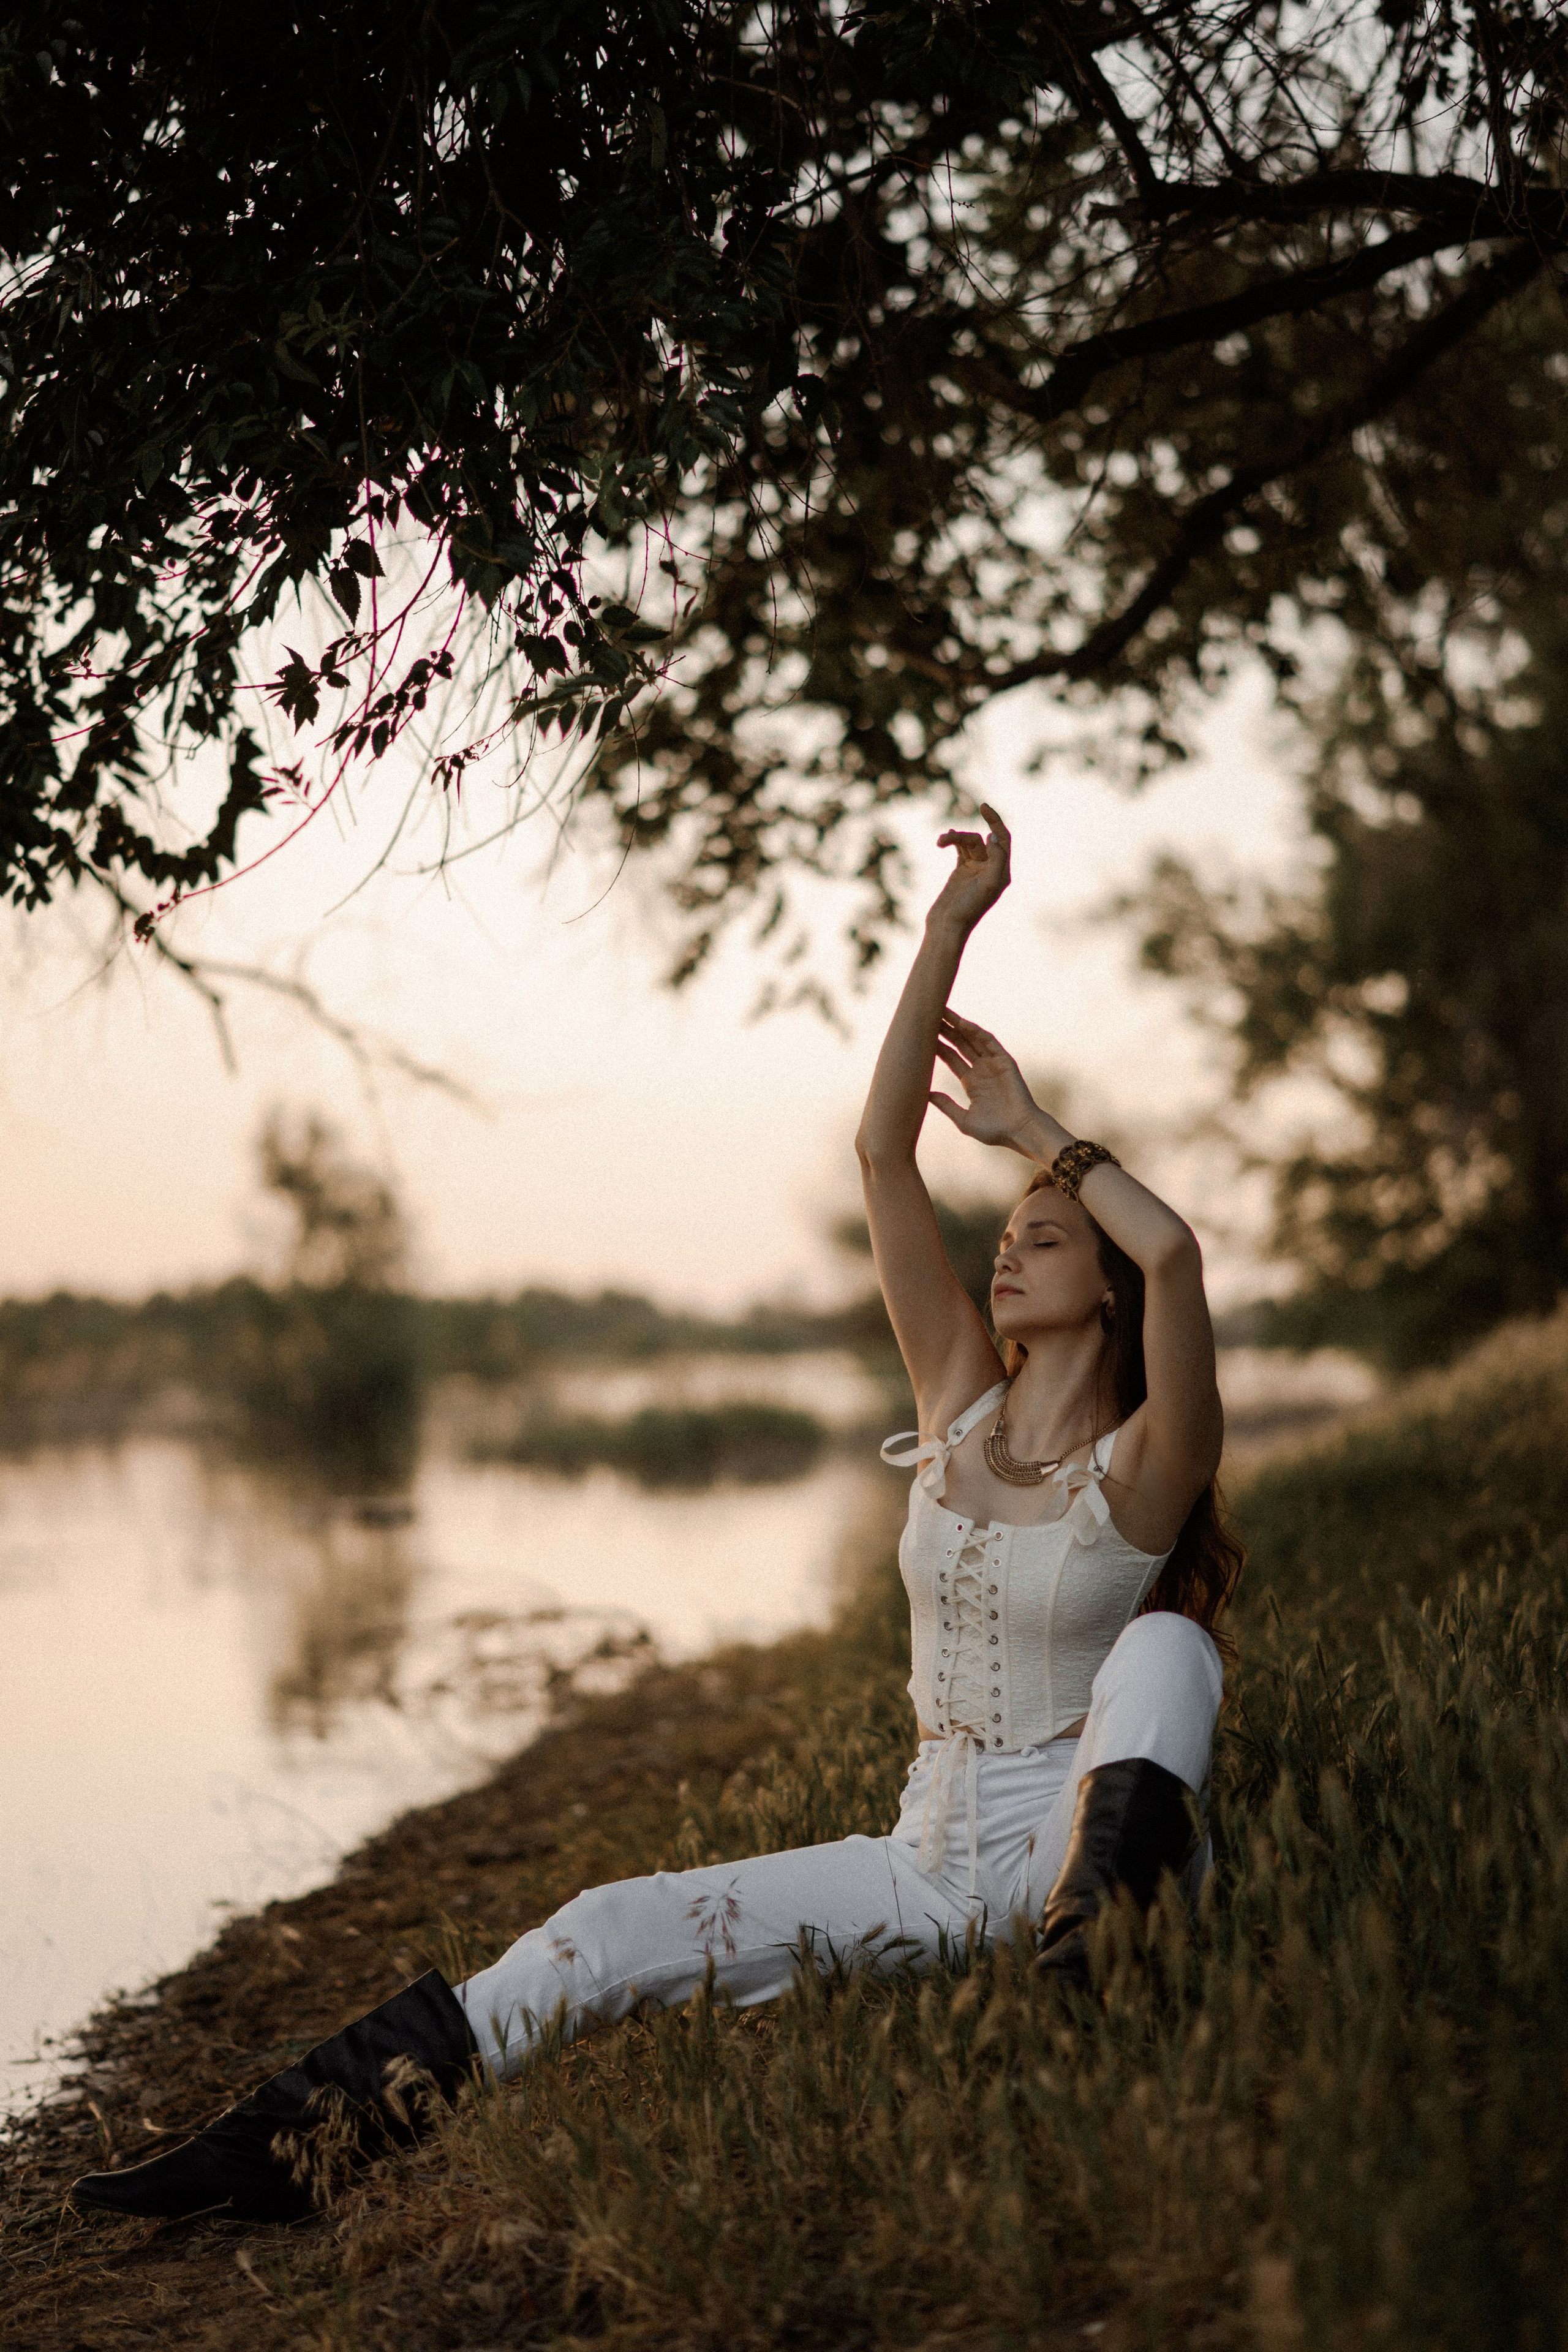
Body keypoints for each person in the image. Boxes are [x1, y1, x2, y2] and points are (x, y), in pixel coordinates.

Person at [73, 804, 1241, 2227]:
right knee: (603, 1927)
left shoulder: (1144, 1465)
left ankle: (1093, 1969)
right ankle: (284, 2151)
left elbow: (1174, 1248)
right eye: (1001, 1236)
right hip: (925, 1863)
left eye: (1041, 1237)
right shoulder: (955, 1409)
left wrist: (1039, 1136)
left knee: (1167, 1652)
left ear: (1102, 1287)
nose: (1006, 1249)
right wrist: (946, 932)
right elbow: (882, 1160)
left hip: (1071, 1837)